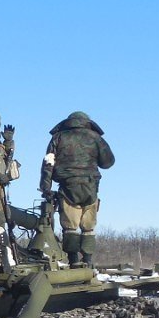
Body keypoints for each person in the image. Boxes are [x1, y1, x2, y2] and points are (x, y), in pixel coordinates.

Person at [40, 111, 115, 267]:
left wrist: (45, 187)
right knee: (89, 226)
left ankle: (73, 260)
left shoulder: (58, 137)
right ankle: (87, 260)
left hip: (68, 187)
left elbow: (48, 163)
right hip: (91, 187)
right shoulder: (96, 138)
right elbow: (108, 163)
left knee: (70, 227)